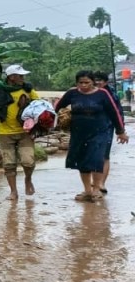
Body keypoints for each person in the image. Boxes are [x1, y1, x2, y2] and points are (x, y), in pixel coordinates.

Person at [55, 70, 128, 202]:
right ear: (76, 82)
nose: (83, 85)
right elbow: (57, 107)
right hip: (78, 132)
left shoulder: (102, 94)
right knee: (82, 161)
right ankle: (87, 190)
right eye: (80, 82)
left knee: (96, 159)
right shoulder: (72, 93)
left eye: (87, 82)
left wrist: (120, 131)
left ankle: (96, 189)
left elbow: (114, 112)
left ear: (93, 82)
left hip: (100, 131)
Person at [0, 64, 39, 200]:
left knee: (28, 161)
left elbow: (39, 107)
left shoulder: (28, 90)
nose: (23, 78)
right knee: (9, 164)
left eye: (23, 76)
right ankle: (13, 191)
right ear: (11, 77)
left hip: (25, 132)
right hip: (5, 132)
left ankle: (28, 179)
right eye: (20, 76)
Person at [91, 71, 121, 195]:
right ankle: (94, 182)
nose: (98, 83)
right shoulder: (88, 92)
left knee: (104, 156)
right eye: (96, 80)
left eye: (100, 80)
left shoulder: (111, 94)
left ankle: (101, 183)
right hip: (90, 127)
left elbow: (118, 112)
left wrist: (120, 130)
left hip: (107, 127)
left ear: (106, 82)